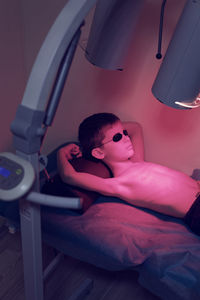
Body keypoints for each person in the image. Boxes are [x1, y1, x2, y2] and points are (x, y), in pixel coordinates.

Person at [57, 113, 200, 235]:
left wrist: (112, 130)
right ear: (99, 152)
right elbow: (69, 176)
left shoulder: (137, 160)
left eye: (124, 133)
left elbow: (135, 128)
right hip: (196, 210)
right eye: (117, 138)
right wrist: (62, 152)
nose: (126, 138)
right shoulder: (117, 184)